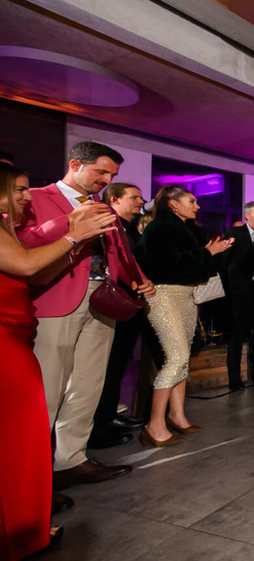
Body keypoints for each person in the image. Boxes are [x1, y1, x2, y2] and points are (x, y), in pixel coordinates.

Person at [17, 141, 155, 491]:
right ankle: (33, 473)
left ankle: (71, 460)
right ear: (76, 164)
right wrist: (69, 223)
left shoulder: (101, 206)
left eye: (112, 175)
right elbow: (23, 243)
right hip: (56, 298)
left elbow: (118, 250)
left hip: (102, 299)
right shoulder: (36, 197)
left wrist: (137, 278)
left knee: (88, 384)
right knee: (49, 387)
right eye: (101, 172)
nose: (106, 180)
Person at [0, 163, 117, 558]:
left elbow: (32, 272)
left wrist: (82, 246)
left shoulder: (7, 224)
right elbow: (27, 263)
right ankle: (24, 518)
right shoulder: (39, 208)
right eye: (18, 189)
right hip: (18, 330)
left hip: (24, 323)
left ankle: (37, 500)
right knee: (27, 424)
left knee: (30, 425)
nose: (26, 195)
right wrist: (72, 232)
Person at [137, 185, 233, 446]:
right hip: (163, 296)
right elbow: (166, 265)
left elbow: (198, 266)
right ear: (173, 204)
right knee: (176, 357)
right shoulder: (157, 229)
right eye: (191, 201)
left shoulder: (191, 231)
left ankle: (177, 415)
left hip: (188, 296)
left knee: (184, 358)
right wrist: (207, 252)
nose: (197, 206)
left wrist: (215, 253)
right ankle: (154, 425)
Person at [88, 182, 155, 449]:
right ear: (114, 200)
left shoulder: (128, 227)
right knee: (108, 366)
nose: (141, 201)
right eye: (134, 197)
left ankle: (108, 417)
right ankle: (99, 424)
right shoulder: (110, 226)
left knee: (118, 364)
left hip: (129, 303)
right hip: (115, 303)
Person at [222, 201, 254, 392]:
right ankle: (234, 379)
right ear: (247, 215)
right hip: (240, 292)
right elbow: (226, 262)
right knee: (238, 334)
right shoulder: (235, 233)